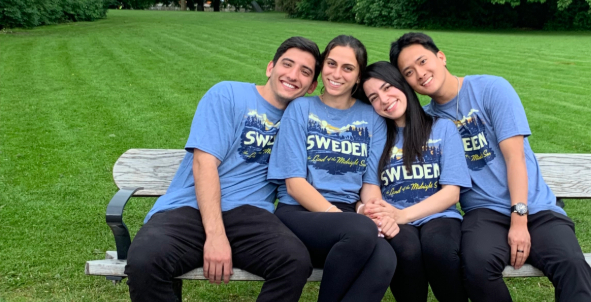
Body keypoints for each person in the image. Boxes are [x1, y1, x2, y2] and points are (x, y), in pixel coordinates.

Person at [390, 32, 591, 302]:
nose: (420, 73)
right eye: (408, 72)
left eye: (423, 61)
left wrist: (519, 220)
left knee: (571, 264)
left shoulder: (491, 89)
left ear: (441, 57)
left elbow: (515, 158)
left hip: (534, 206)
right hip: (483, 213)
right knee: (476, 266)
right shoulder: (427, 121)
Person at [124, 37, 322, 302]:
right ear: (270, 67)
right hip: (189, 207)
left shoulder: (301, 121)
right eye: (287, 64)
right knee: (145, 261)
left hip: (250, 214)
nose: (293, 75)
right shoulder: (227, 94)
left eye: (305, 72)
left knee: (294, 262)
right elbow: (204, 164)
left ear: (311, 87)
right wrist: (216, 236)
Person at [268, 35, 396, 302]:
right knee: (360, 231)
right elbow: (294, 184)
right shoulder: (301, 108)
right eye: (331, 64)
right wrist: (339, 216)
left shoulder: (372, 117)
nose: (336, 74)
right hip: (299, 213)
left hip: (349, 219)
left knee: (385, 257)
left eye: (347, 68)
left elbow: (370, 182)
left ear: (359, 76)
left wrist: (370, 212)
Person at [358, 61, 471, 302]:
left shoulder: (442, 129)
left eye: (388, 88)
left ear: (402, 85)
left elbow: (451, 193)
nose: (384, 99)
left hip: (439, 215)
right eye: (374, 97)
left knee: (439, 249)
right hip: (393, 216)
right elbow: (370, 186)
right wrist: (381, 214)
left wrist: (403, 215)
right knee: (406, 252)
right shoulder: (376, 138)